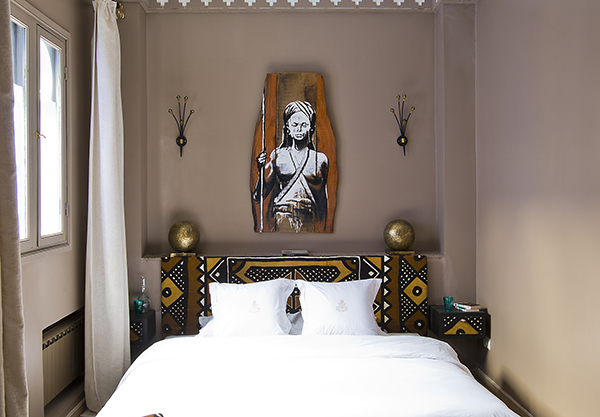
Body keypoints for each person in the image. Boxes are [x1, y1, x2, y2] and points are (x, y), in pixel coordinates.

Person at [254, 101, 329, 233]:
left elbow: (323, 201)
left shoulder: (320, 159)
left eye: (304, 125)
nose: (299, 129)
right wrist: (261, 169)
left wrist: (323, 228)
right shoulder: (278, 156)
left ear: (311, 128)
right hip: (282, 216)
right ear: (287, 127)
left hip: (308, 218)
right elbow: (259, 194)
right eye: (294, 124)